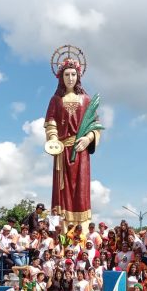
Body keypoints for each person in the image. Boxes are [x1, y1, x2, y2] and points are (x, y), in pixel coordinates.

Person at [43, 46, 101, 229]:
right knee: (62, 192)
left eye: (73, 74)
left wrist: (88, 138)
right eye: (66, 75)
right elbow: (51, 122)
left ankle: (81, 229)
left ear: (78, 76)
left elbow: (95, 124)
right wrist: (53, 138)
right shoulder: (55, 100)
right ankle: (61, 230)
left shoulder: (86, 100)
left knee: (80, 189)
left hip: (80, 150)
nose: (70, 78)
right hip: (62, 150)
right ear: (61, 77)